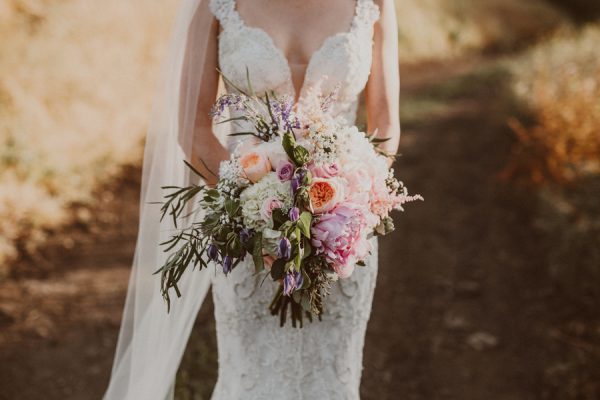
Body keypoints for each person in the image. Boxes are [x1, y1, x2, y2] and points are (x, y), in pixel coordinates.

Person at [104, 0, 400, 399]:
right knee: (250, 373)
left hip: (342, 229)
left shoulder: (374, 3)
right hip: (244, 233)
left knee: (334, 375)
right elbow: (193, 129)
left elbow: (384, 125)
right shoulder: (217, 4)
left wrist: (353, 202)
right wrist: (250, 208)